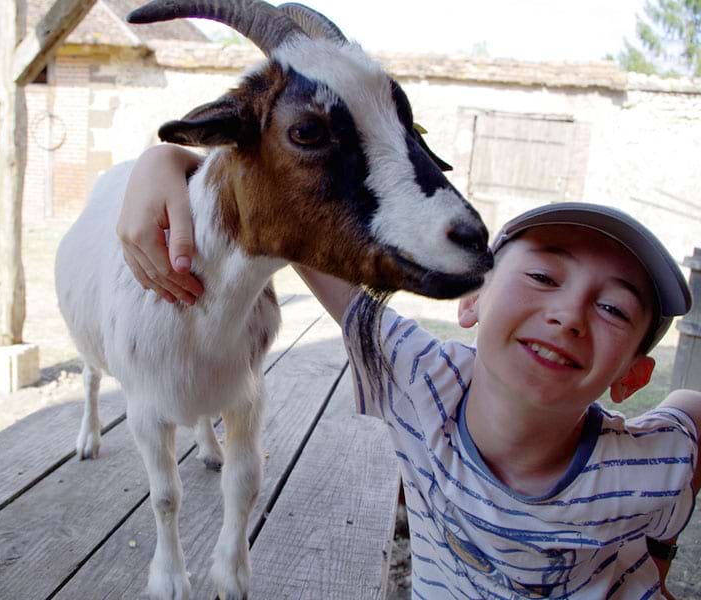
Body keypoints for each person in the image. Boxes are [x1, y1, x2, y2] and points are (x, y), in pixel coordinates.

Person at [117, 143, 700, 599]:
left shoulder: (652, 465)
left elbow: (691, 415)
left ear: (631, 378)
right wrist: (165, 160)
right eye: (544, 277)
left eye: (612, 308)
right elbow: (279, 212)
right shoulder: (420, 378)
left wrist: (660, 559)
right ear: (470, 300)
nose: (569, 315)